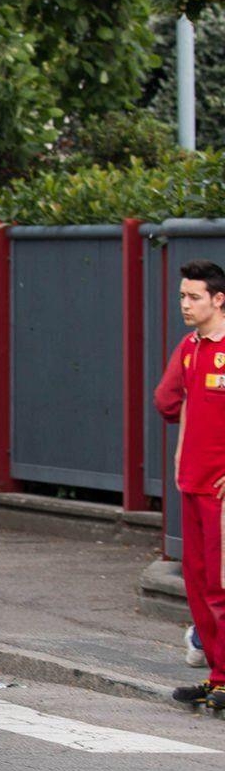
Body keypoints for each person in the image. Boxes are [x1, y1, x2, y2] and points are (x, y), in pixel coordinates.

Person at [153, 258, 225, 709]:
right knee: (198, 586)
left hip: (219, 488)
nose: (185, 303)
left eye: (194, 296)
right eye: (182, 295)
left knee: (221, 587)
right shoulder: (188, 347)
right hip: (190, 484)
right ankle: (218, 677)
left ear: (219, 299)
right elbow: (165, 401)